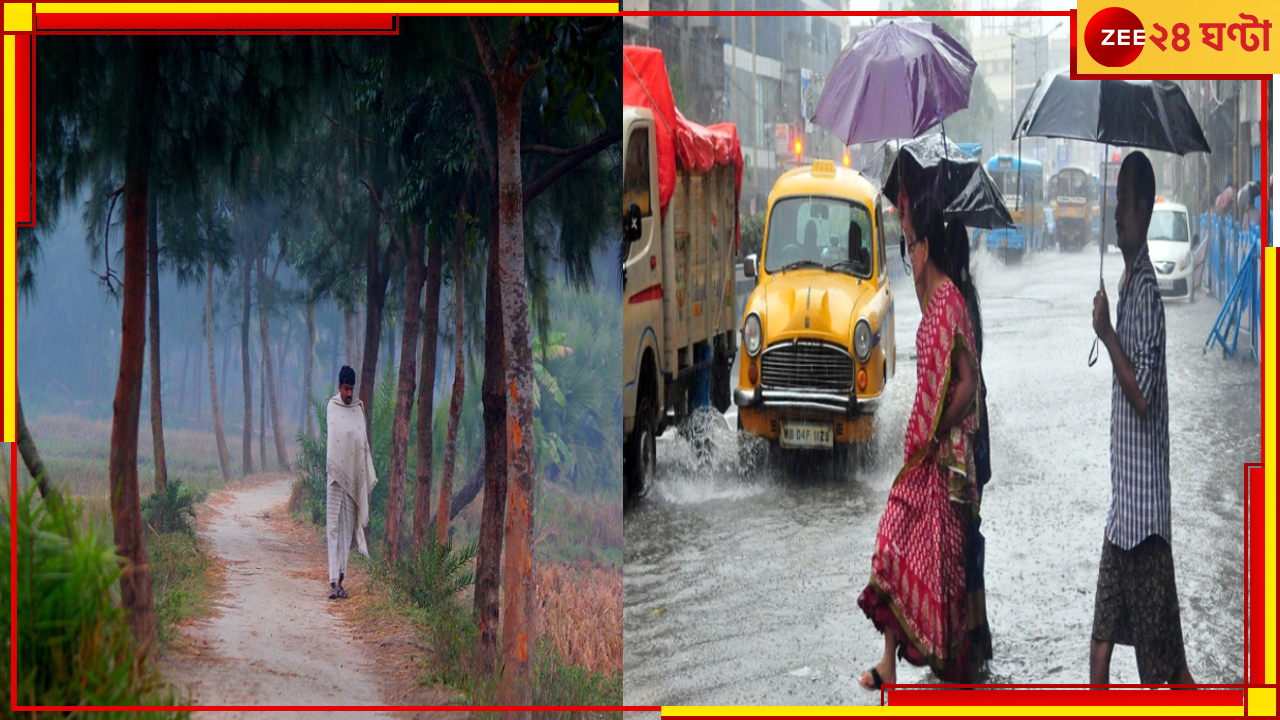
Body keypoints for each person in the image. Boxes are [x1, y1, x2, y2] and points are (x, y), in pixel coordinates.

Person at [858, 190, 983, 689]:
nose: (905, 254)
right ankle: (891, 661)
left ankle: (954, 677)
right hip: (921, 459)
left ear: (926, 249)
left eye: (909, 245)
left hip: (946, 463)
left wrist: (937, 432)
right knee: (892, 545)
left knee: (943, 580)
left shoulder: (951, 302)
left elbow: (970, 385)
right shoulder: (931, 299)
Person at [1090, 151, 1195, 687]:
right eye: (1114, 201)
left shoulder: (1149, 295)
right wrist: (1108, 326)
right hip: (1120, 520)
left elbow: (1144, 397)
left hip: (1147, 526)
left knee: (1168, 673)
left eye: (1123, 202)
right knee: (1100, 655)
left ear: (1146, 207)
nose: (1115, 213)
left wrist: (1107, 335)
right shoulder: (1128, 284)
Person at [325, 365, 379, 600]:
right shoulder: (332, 407)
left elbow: (361, 441)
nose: (348, 393)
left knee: (347, 530)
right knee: (333, 528)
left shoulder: (358, 409)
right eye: (345, 388)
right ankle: (332, 581)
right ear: (339, 386)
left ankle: (342, 578)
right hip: (335, 478)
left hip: (352, 478)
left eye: (351, 389)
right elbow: (335, 438)